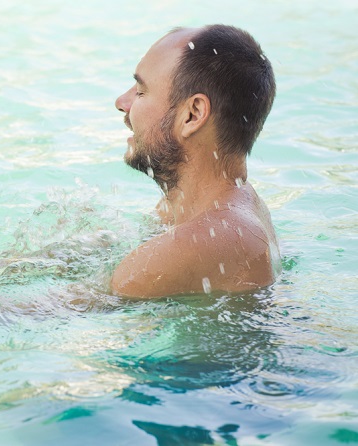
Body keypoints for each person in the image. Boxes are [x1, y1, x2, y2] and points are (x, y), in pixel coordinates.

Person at [111, 24, 281, 299]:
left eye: (141, 92)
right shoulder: (233, 209)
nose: (122, 102)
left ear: (192, 115)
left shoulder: (197, 246)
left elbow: (50, 315)